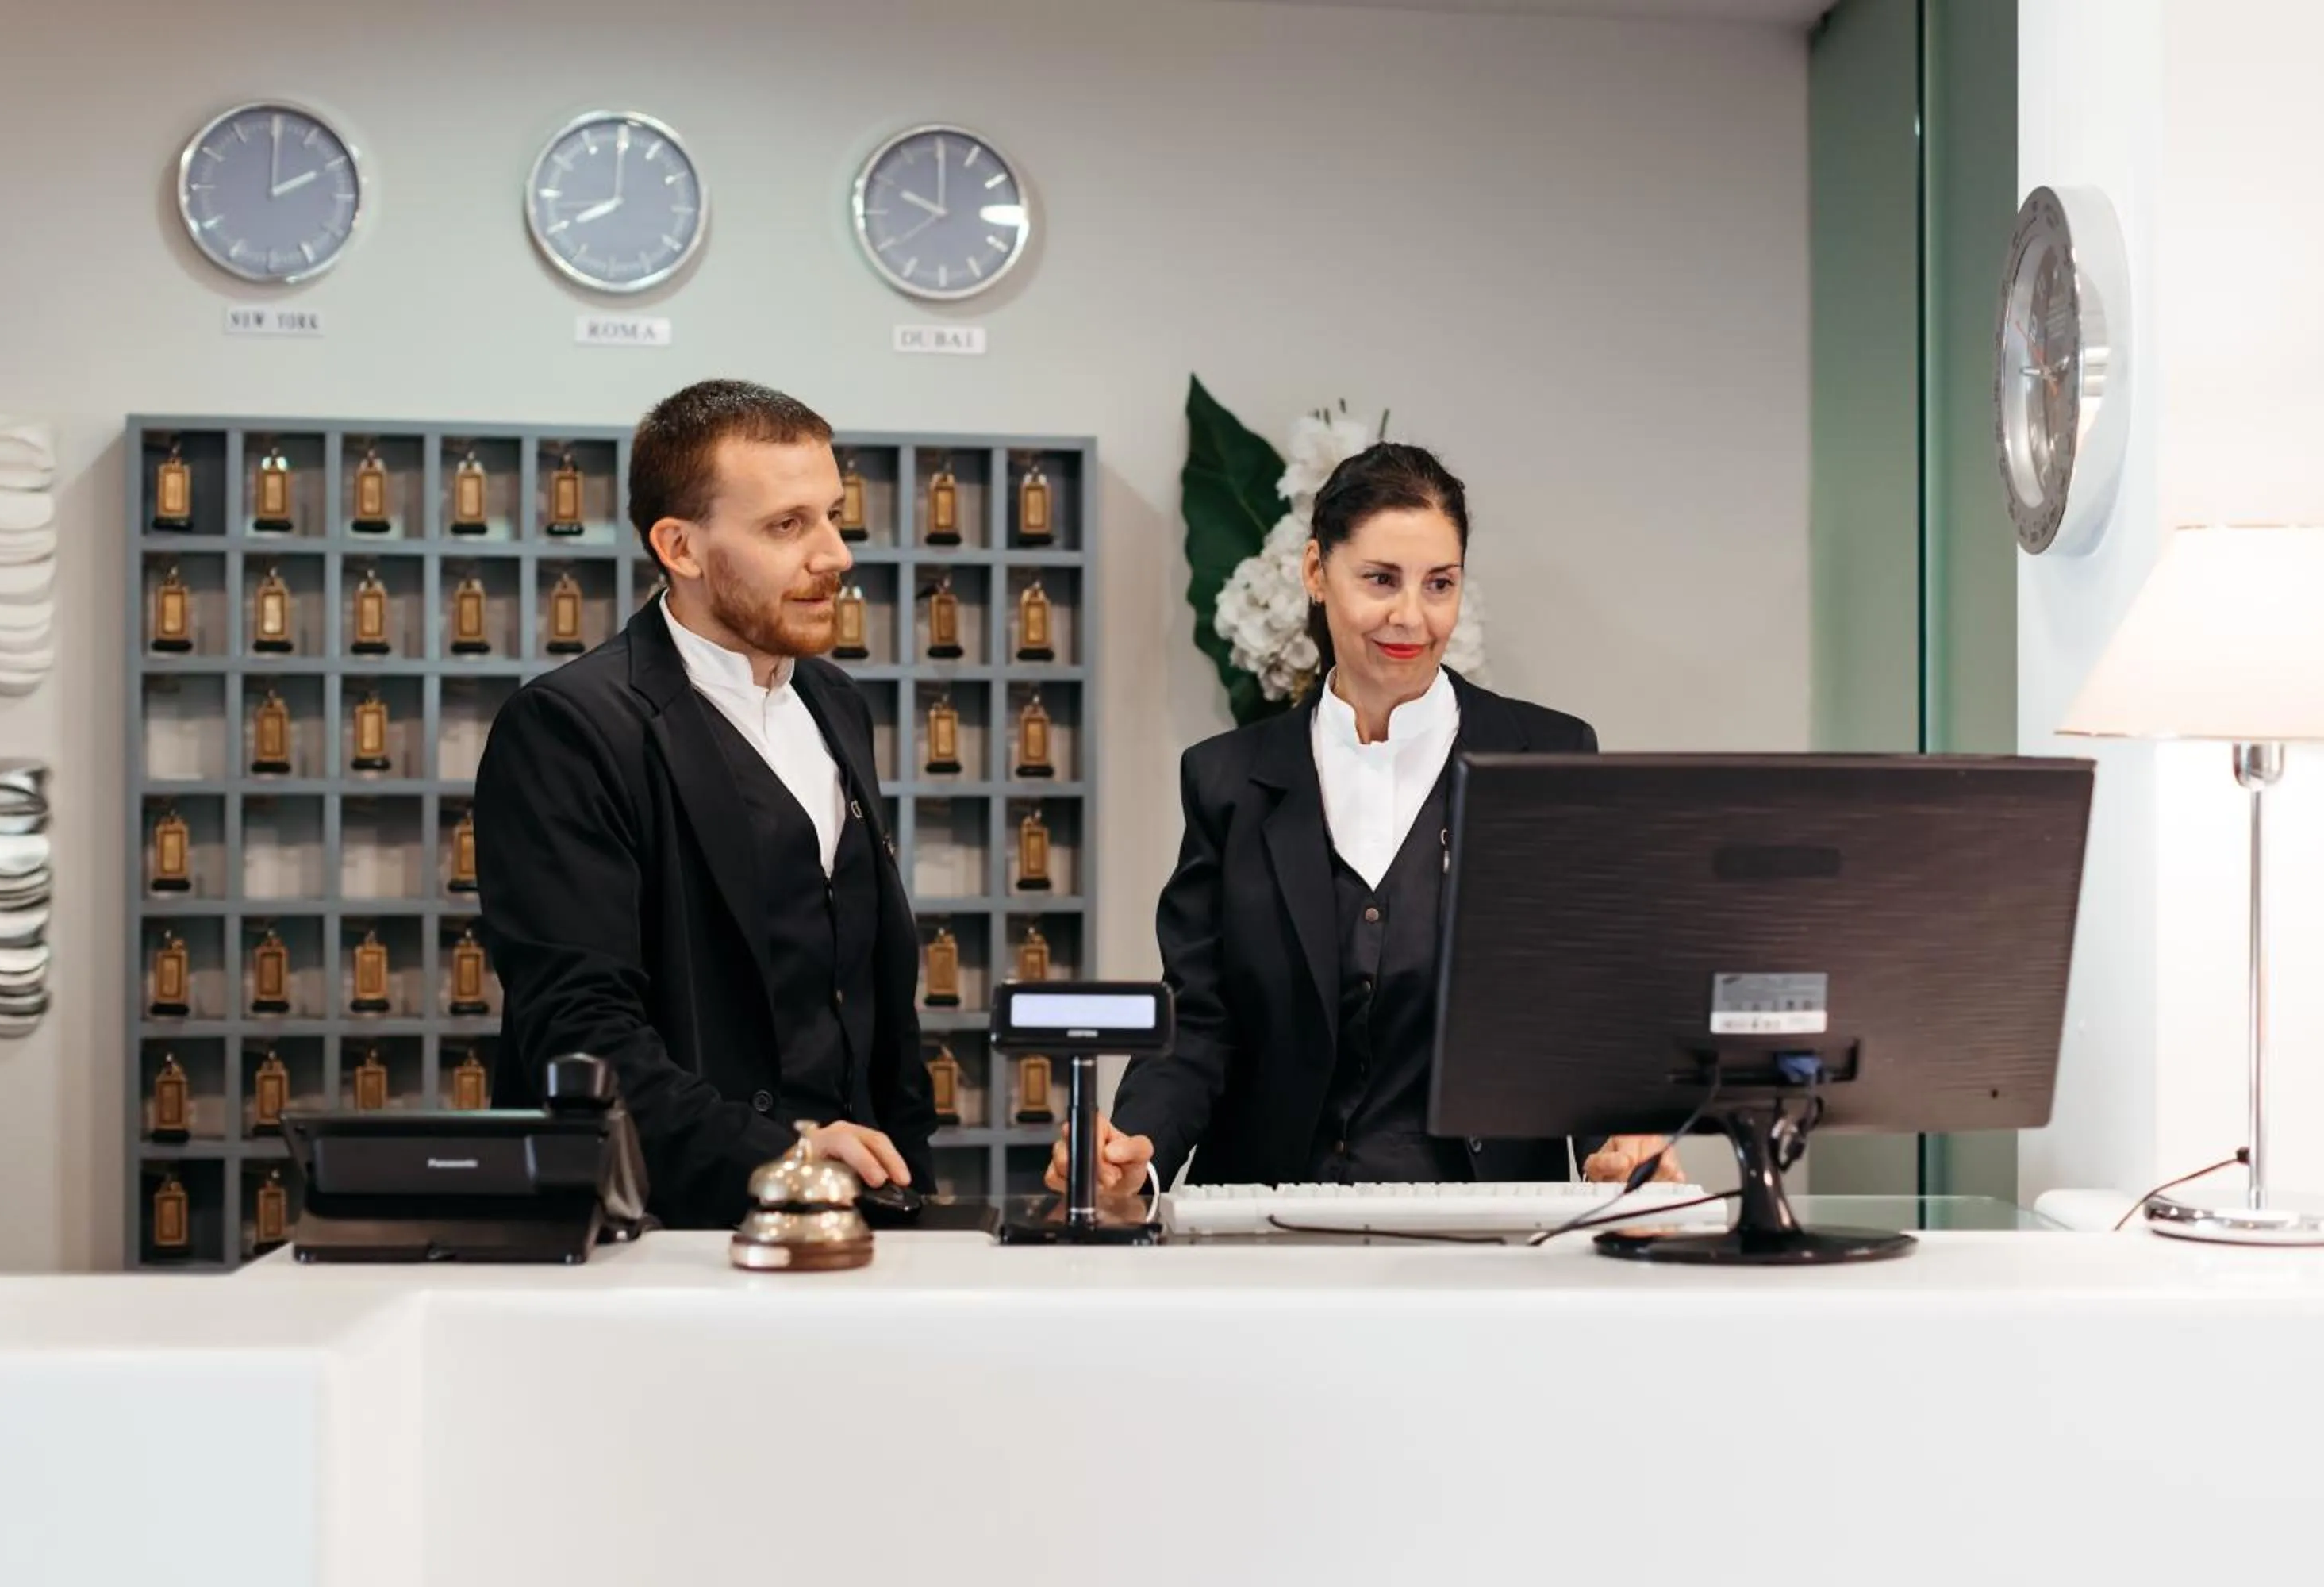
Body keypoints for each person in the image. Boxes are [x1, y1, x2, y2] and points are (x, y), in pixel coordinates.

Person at [1051, 443, 1679, 1197]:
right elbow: (1200, 1017)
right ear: (1317, 572)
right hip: (1271, 1221)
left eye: (1439, 584)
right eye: (1380, 580)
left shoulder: (1549, 756)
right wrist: (1137, 1149)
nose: (1411, 616)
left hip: (1490, 1221)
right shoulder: (1227, 780)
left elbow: (1579, 1002)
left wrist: (1619, 1139)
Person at [476, 379, 938, 1225]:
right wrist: (784, 1159)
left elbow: (871, 995)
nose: (836, 554)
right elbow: (582, 1033)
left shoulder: (837, 702)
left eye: (834, 514)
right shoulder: (569, 727)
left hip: (860, 1218)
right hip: (662, 1235)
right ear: (679, 547)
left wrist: (911, 1184)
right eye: (787, 525)